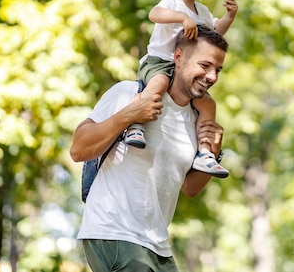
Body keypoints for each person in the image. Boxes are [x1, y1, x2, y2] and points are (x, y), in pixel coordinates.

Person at [70, 25, 229, 272]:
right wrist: (128, 115)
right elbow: (78, 149)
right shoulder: (131, 93)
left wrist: (215, 150)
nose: (212, 77)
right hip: (115, 233)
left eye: (217, 70)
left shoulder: (195, 120)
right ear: (178, 57)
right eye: (204, 65)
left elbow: (190, 187)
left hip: (158, 246)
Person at [124, 0, 238, 178]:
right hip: (160, 61)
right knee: (158, 83)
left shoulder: (203, 11)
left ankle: (205, 153)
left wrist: (229, 17)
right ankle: (135, 125)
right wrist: (182, 17)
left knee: (208, 105)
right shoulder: (172, 2)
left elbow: (215, 33)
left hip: (183, 71)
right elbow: (154, 15)